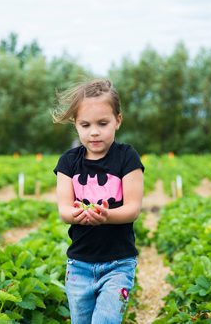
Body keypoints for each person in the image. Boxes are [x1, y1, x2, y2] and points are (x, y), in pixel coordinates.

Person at [52, 78, 144, 324]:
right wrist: (78, 215)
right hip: (79, 265)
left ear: (118, 120)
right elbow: (64, 210)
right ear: (75, 124)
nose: (94, 131)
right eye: (85, 124)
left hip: (119, 264)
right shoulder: (68, 162)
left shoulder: (127, 157)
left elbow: (133, 208)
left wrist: (107, 216)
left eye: (102, 123)